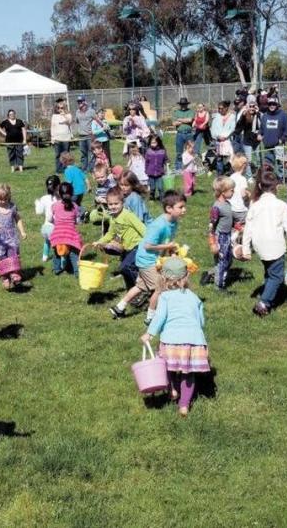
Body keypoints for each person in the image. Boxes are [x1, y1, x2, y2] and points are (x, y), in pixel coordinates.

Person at [141, 257, 209, 417]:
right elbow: (201, 321)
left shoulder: (165, 297)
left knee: (167, 368)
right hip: (193, 341)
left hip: (171, 341)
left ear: (163, 279)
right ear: (185, 277)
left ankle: (172, 390)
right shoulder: (195, 297)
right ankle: (184, 406)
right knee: (188, 373)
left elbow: (159, 317)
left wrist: (149, 333)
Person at [109, 191, 187, 322]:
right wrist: (167, 248)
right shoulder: (159, 225)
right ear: (169, 208)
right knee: (160, 288)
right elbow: (148, 246)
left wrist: (172, 253)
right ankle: (151, 317)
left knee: (141, 286)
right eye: (181, 207)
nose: (184, 210)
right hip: (146, 260)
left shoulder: (174, 222)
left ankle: (119, 307)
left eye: (184, 206)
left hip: (152, 259)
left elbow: (167, 242)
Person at [241, 168, 287, 317]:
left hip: (260, 245)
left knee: (270, 271)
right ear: (276, 186)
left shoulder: (255, 205)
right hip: (275, 245)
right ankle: (264, 302)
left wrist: (246, 249)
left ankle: (268, 290)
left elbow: (248, 228)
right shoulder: (282, 205)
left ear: (260, 186)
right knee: (277, 276)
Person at [93, 187, 145, 290]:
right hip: (126, 248)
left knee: (125, 267)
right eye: (110, 204)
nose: (113, 207)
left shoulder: (127, 215)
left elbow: (142, 228)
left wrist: (149, 243)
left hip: (137, 245)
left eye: (116, 204)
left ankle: (142, 287)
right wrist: (99, 242)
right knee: (124, 271)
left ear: (122, 202)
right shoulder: (113, 217)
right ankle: (132, 292)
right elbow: (110, 234)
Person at [0, 183, 27, 289]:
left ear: (8, 197)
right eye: (0, 199)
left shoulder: (12, 206)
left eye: (5, 199)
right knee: (1, 258)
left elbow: (18, 219)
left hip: (12, 237)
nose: (3, 201)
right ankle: (4, 277)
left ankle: (14, 273)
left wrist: (22, 231)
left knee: (13, 255)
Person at [204, 177, 235, 291]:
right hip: (220, 237)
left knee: (229, 260)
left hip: (228, 236)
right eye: (231, 190)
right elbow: (211, 226)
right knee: (221, 262)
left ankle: (210, 274)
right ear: (223, 192)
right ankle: (219, 286)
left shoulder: (228, 204)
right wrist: (212, 242)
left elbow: (229, 220)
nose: (233, 192)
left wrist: (237, 226)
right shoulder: (216, 207)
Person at [47, 182, 85, 276]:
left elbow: (50, 218)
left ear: (59, 193)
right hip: (70, 234)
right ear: (72, 194)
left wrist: (54, 221)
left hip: (57, 234)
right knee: (74, 253)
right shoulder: (75, 206)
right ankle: (76, 271)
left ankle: (56, 269)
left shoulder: (55, 205)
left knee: (57, 252)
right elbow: (77, 220)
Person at [258, 98, 287, 175]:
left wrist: (283, 139)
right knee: (268, 162)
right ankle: (269, 177)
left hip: (278, 144)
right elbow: (262, 128)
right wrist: (259, 134)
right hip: (268, 144)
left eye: (273, 104)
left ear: (277, 105)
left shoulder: (283, 115)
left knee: (280, 162)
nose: (272, 106)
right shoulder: (265, 115)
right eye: (270, 104)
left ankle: (281, 177)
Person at [34, 175, 60, 262]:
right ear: (58, 186)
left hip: (47, 227)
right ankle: (60, 257)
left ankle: (45, 257)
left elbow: (39, 212)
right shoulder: (60, 198)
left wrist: (37, 203)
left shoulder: (44, 198)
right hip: (58, 226)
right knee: (58, 243)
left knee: (47, 242)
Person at [212, 101, 237, 176]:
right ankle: (220, 175)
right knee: (219, 158)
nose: (220, 110)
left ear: (226, 108)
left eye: (221, 108)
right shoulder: (216, 117)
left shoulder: (232, 117)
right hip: (218, 141)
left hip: (228, 141)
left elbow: (232, 128)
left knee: (230, 158)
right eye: (218, 108)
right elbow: (213, 129)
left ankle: (231, 174)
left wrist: (225, 136)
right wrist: (217, 136)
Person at [228, 153, 251, 227]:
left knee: (234, 226)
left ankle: (233, 235)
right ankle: (240, 236)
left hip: (231, 208)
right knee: (243, 227)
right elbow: (243, 194)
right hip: (240, 209)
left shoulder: (231, 177)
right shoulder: (242, 179)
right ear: (244, 166)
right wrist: (248, 196)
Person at [51, 101, 74, 173]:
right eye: (58, 108)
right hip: (57, 138)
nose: (60, 109)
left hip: (66, 138)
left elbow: (69, 122)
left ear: (65, 108)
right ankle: (58, 169)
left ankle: (66, 168)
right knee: (58, 155)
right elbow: (52, 126)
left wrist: (64, 115)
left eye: (62, 108)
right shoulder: (54, 116)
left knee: (66, 154)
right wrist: (52, 137)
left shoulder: (68, 115)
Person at [144, 135, 168, 201]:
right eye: (151, 143)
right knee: (152, 187)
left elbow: (166, 160)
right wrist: (146, 170)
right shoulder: (148, 151)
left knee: (160, 187)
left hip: (160, 173)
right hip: (150, 173)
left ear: (158, 142)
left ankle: (162, 199)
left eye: (154, 142)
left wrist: (167, 165)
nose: (153, 144)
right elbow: (146, 162)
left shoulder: (162, 151)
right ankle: (152, 198)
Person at [172, 97, 194, 170]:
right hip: (180, 134)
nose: (183, 106)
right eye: (182, 104)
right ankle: (178, 168)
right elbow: (174, 123)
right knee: (179, 152)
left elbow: (190, 120)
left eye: (184, 104)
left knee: (190, 150)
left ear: (187, 104)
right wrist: (185, 120)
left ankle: (190, 166)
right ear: (180, 105)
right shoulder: (176, 112)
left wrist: (179, 120)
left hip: (189, 134)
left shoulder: (191, 111)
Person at [75, 97, 96, 170]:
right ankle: (84, 167)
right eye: (78, 102)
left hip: (90, 136)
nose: (79, 103)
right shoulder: (77, 112)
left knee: (91, 152)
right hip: (81, 136)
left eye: (81, 101)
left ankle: (91, 168)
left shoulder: (91, 111)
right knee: (83, 153)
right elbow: (77, 121)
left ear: (85, 102)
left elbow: (96, 120)